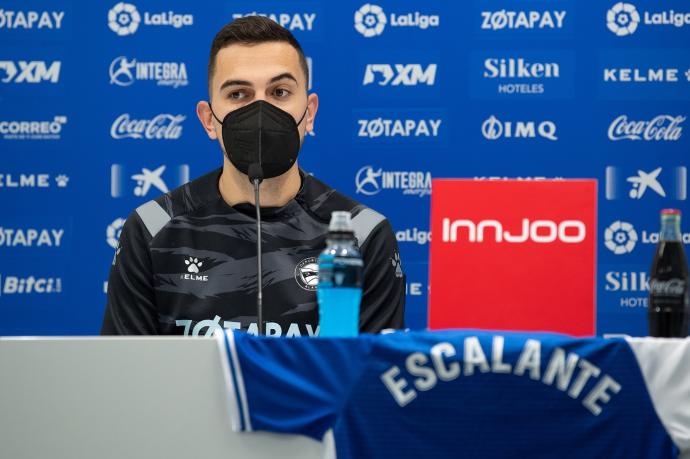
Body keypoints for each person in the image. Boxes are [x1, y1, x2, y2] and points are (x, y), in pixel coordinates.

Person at [101, 16, 405, 336]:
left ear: (310, 113)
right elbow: (124, 375)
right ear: (208, 119)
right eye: (238, 95)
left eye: (280, 91)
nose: (261, 110)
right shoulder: (153, 227)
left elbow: (372, 378)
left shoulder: (362, 235)